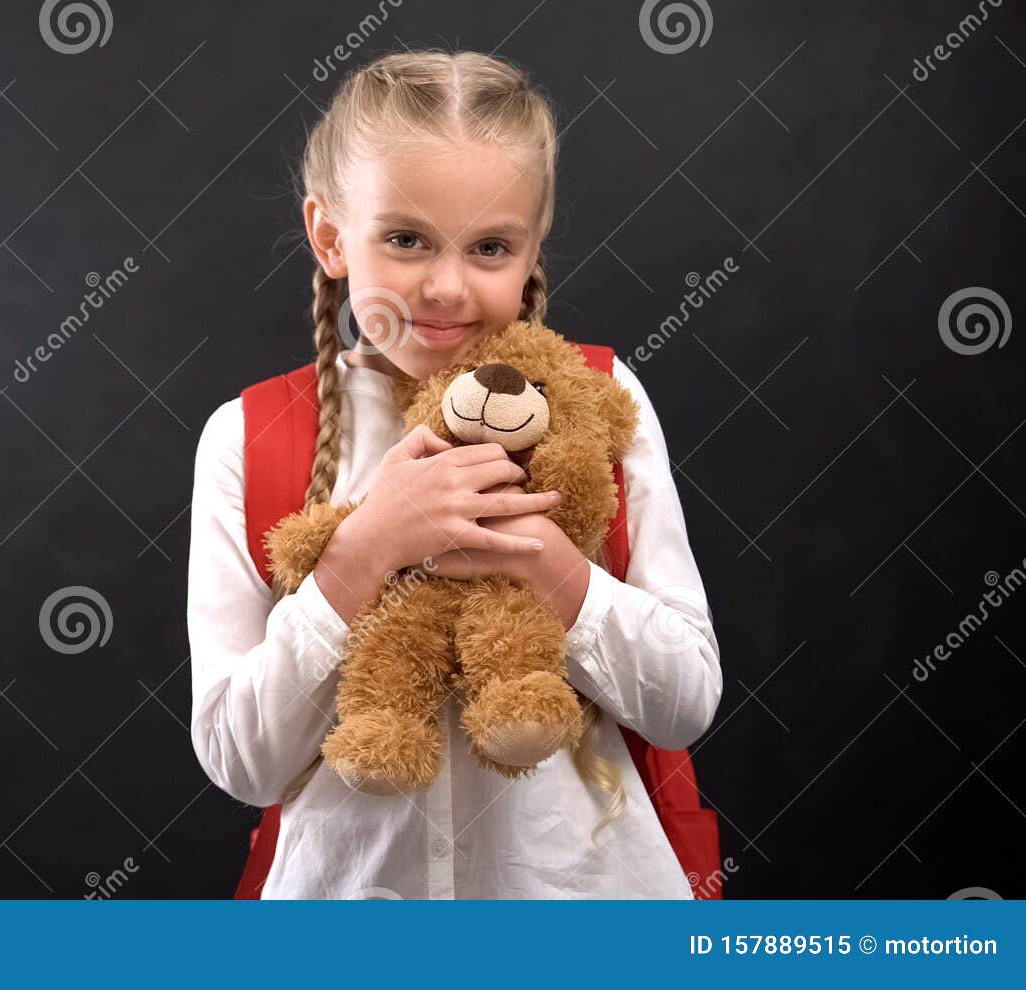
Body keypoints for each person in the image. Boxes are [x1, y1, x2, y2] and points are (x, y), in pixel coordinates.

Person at [186, 50, 722, 898]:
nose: (445, 286)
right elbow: (239, 760)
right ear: (331, 236)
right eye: (405, 239)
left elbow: (686, 701)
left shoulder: (598, 398)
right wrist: (359, 554)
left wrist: (549, 567)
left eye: (490, 247)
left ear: (532, 249)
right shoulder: (247, 438)